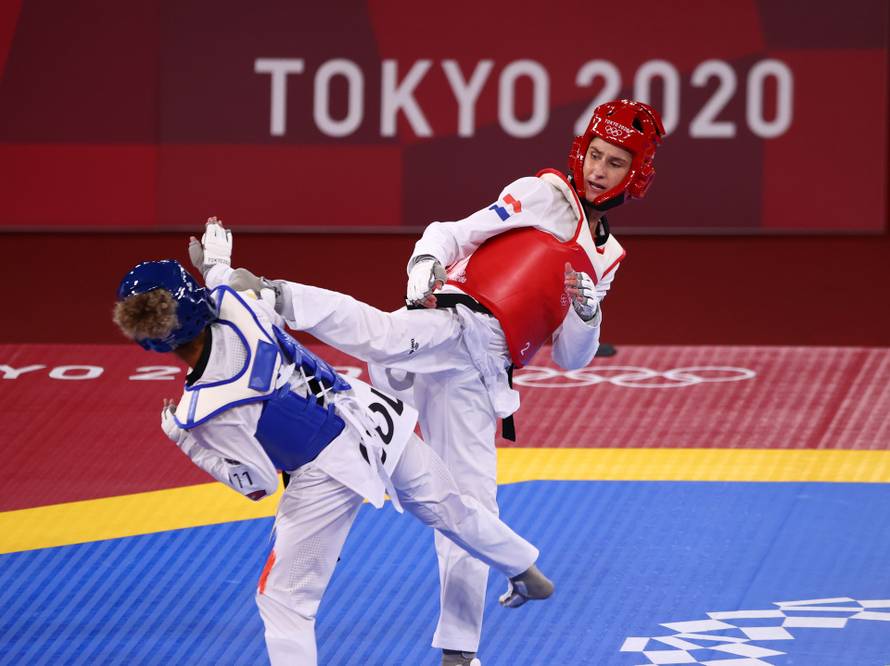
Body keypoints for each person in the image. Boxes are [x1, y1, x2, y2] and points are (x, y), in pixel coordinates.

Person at [217, 98, 665, 666]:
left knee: (471, 506)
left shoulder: (610, 257)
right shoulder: (543, 193)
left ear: (637, 174)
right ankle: (272, 292)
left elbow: (572, 359)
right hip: (452, 322)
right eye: (595, 155)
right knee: (380, 333)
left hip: (484, 375)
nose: (599, 170)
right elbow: (451, 232)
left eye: (615, 163)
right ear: (581, 150)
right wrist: (425, 265)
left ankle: (460, 652)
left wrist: (586, 312)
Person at [112, 253, 554, 666]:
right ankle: (523, 568)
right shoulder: (235, 305)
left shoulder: (205, 408)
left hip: (323, 473)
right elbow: (225, 288)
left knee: (283, 601)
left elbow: (258, 483)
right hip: (366, 414)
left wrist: (184, 440)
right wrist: (215, 262)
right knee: (448, 505)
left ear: (151, 339)